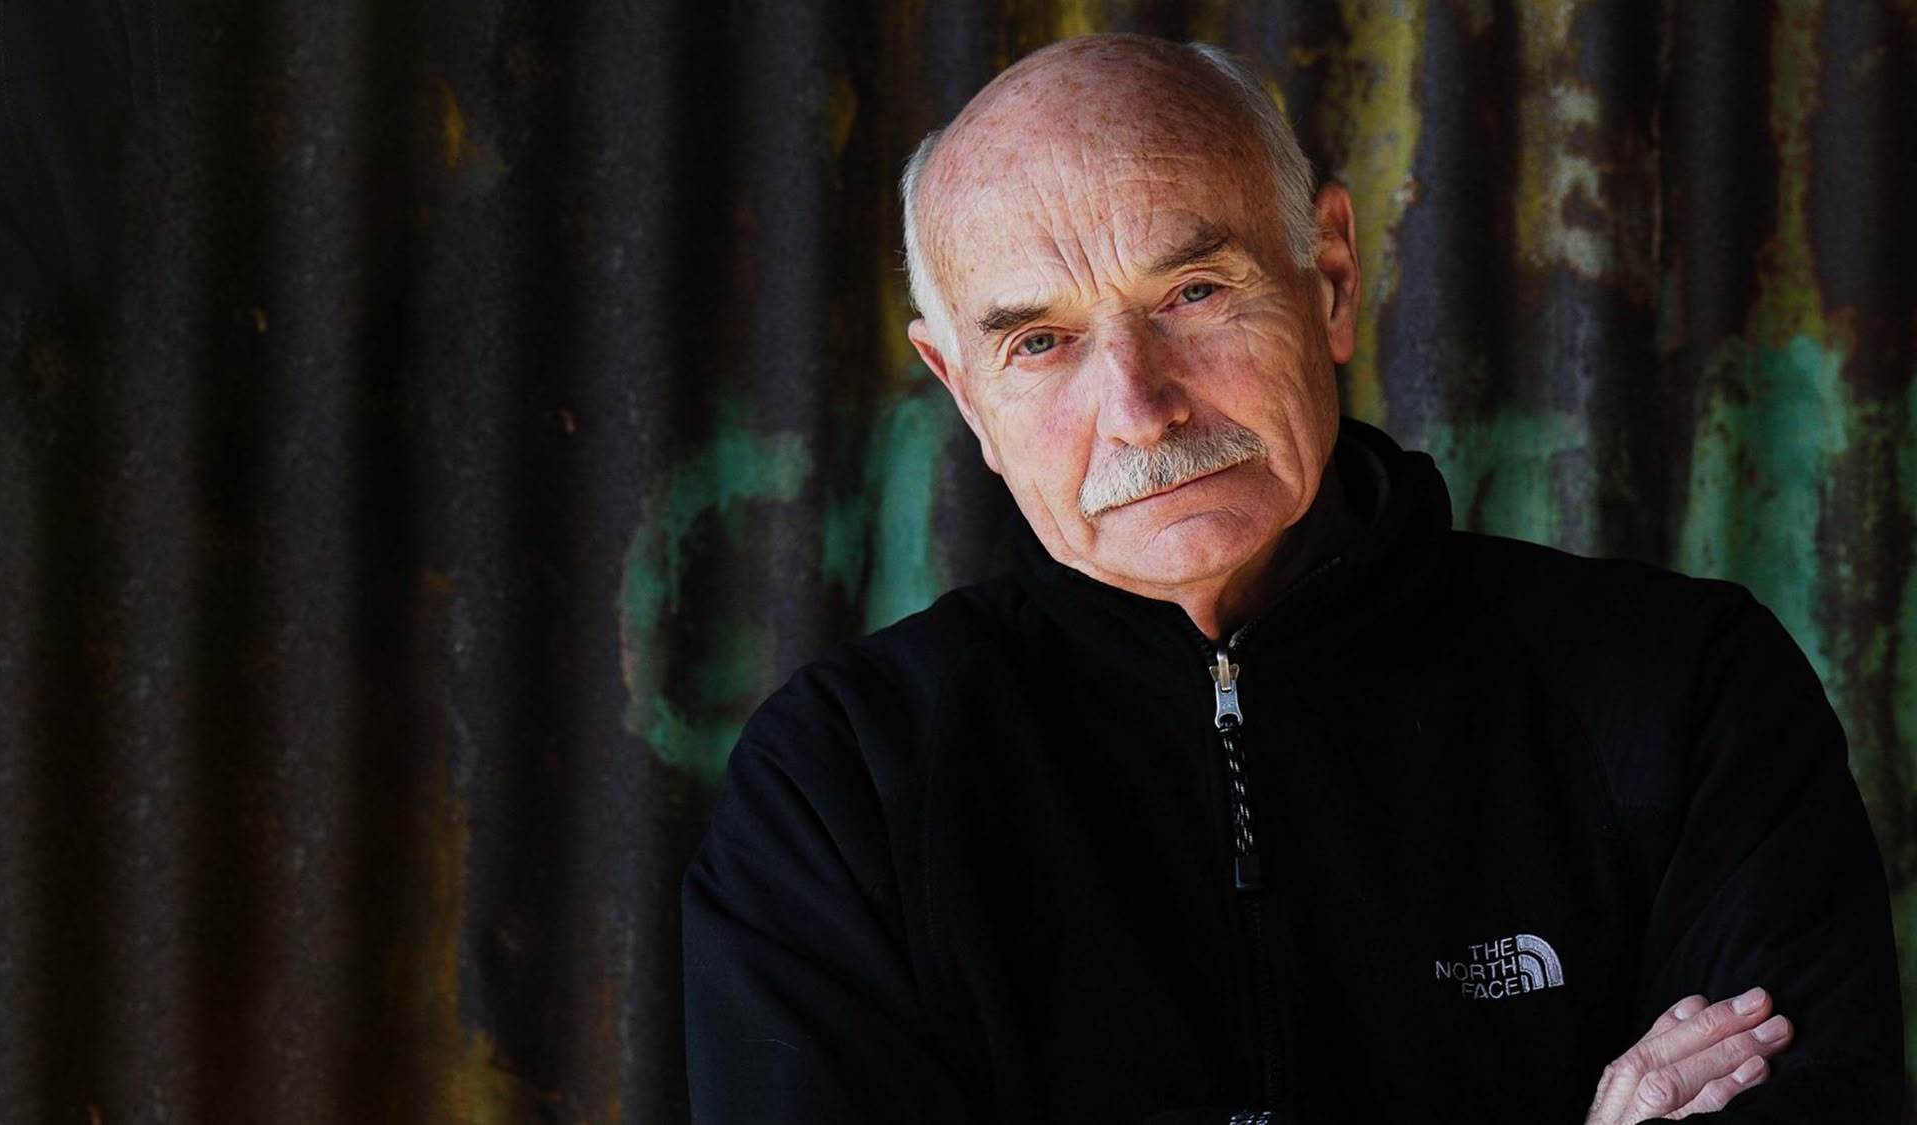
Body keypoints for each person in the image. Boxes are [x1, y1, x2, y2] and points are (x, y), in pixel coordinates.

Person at [681, 33, 1903, 1124]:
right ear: (961, 390)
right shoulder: (838, 789)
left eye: (1192, 293)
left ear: (1327, 276)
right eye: (1039, 341)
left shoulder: (1682, 693)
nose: (1138, 409)